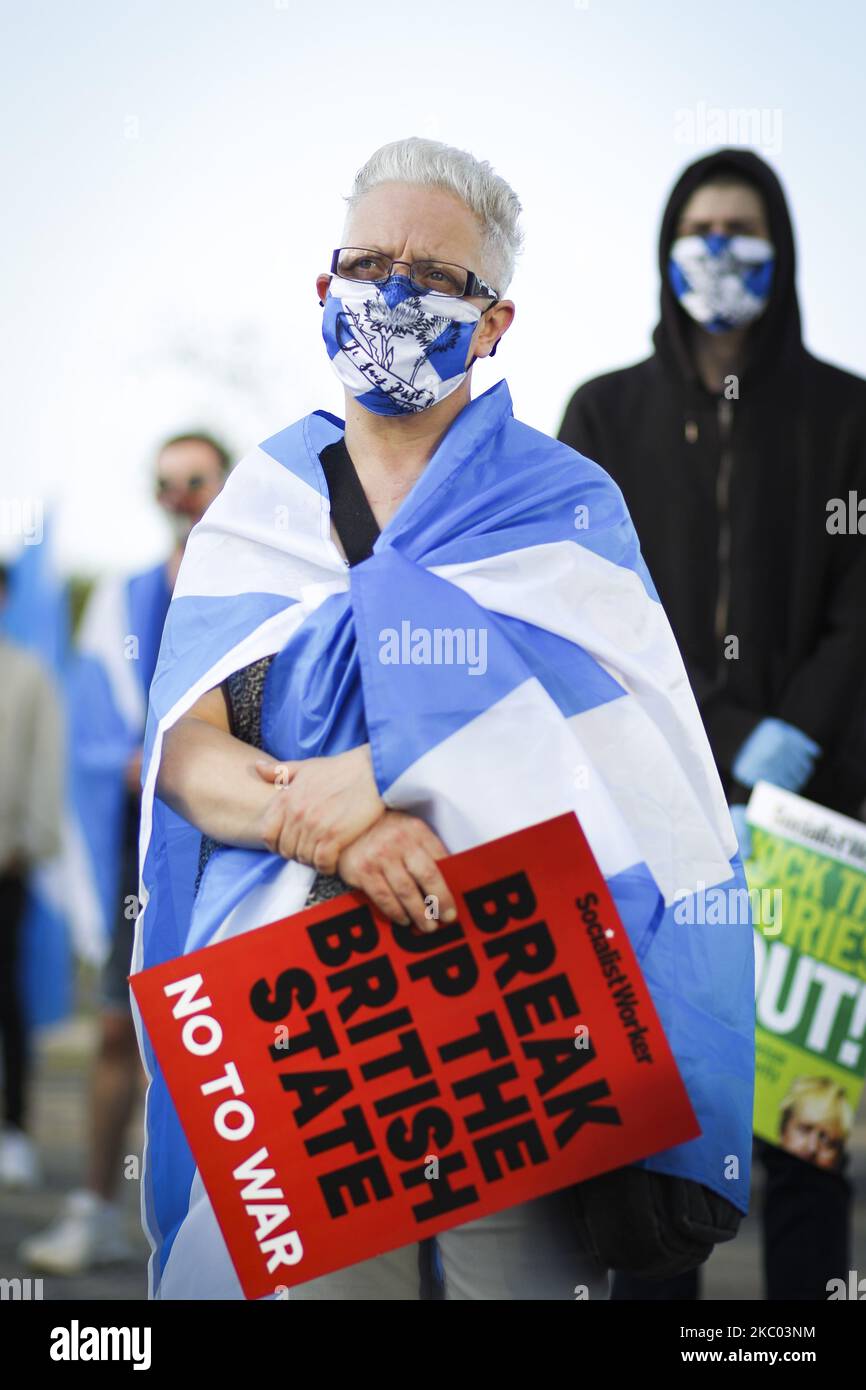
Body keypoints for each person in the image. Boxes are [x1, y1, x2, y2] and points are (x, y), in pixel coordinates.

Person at [133, 136, 755, 1301]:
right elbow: (184, 751)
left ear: (495, 319)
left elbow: (640, 759)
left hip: (517, 1015)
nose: (394, 294)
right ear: (324, 288)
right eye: (369, 264)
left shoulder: (563, 505)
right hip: (298, 1020)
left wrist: (392, 771)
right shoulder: (257, 507)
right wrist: (327, 828)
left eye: (434, 275)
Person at [558, 148, 866, 1301]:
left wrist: (790, 734)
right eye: (701, 227)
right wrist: (703, 736)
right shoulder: (603, 412)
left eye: (744, 227)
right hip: (652, 821)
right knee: (659, 1145)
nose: (721, 248)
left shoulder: (847, 414)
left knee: (805, 1142)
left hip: (814, 817)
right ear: (666, 247)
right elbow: (578, 597)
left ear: (779, 248)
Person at [21, 433, 230, 1273]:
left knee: (227, 1040)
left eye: (195, 480)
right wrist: (148, 760)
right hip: (141, 855)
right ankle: (96, 1208)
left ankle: (229, 1233)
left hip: (234, 849)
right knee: (119, 1030)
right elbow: (95, 724)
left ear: (225, 485)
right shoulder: (125, 597)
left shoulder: (264, 584)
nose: (178, 495)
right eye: (165, 483)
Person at [0, 562, 64, 1186]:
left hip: (6, 866)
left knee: (7, 998)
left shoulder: (27, 673)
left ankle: (14, 1128)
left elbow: (47, 765)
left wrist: (31, 841)